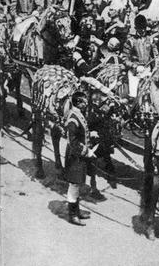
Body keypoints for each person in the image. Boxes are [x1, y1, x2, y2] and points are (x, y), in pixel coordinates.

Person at [62, 90, 93, 225]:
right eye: (85, 102)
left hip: (78, 157)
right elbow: (73, 142)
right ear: (79, 103)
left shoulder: (77, 114)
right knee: (73, 185)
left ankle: (77, 211)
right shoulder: (73, 118)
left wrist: (91, 133)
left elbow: (81, 133)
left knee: (77, 184)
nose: (86, 104)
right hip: (75, 157)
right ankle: (72, 215)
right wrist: (87, 151)